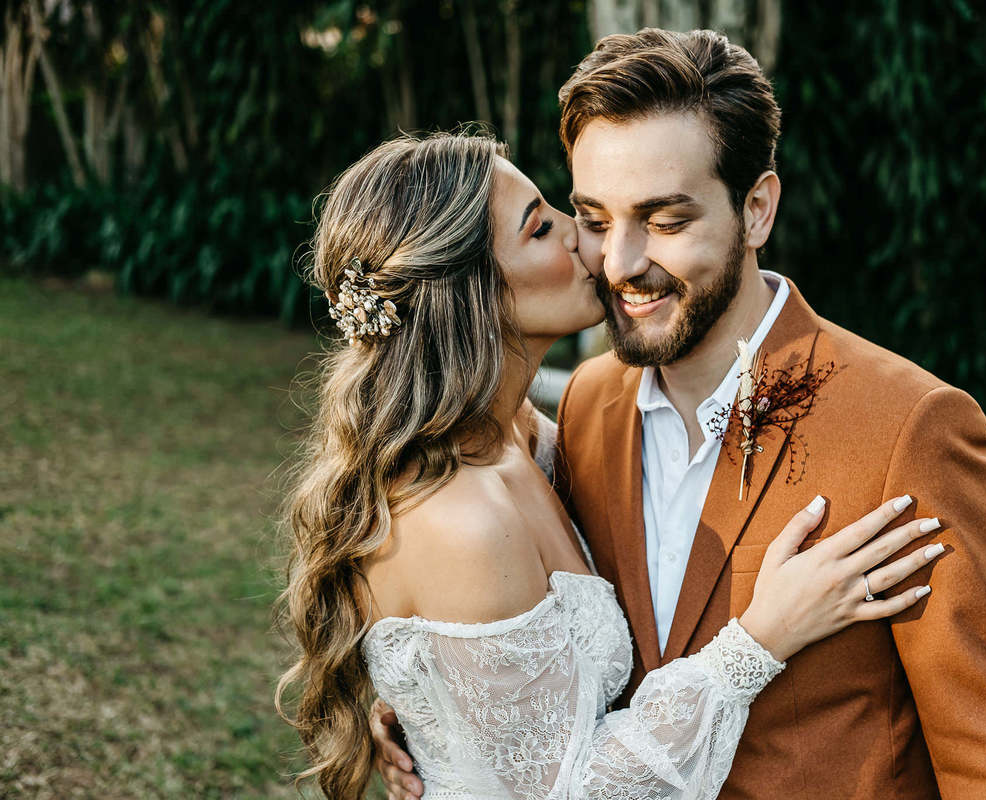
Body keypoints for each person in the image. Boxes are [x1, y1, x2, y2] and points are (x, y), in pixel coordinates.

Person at [375, 28, 986, 800]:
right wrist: (446, 712)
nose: (619, 262)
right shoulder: (585, 407)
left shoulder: (913, 429)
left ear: (758, 209)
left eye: (667, 221)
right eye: (595, 219)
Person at [275, 131, 946, 800]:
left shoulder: (529, 437)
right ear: (471, 294)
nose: (583, 238)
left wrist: (438, 714)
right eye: (543, 228)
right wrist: (762, 638)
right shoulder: (464, 521)